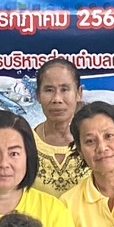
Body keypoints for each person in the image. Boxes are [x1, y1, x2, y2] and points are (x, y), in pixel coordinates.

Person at [32, 58, 91, 196]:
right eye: (49, 90)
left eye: (64, 89)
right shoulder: (25, 143)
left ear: (79, 93)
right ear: (38, 96)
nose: (57, 98)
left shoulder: (94, 141)